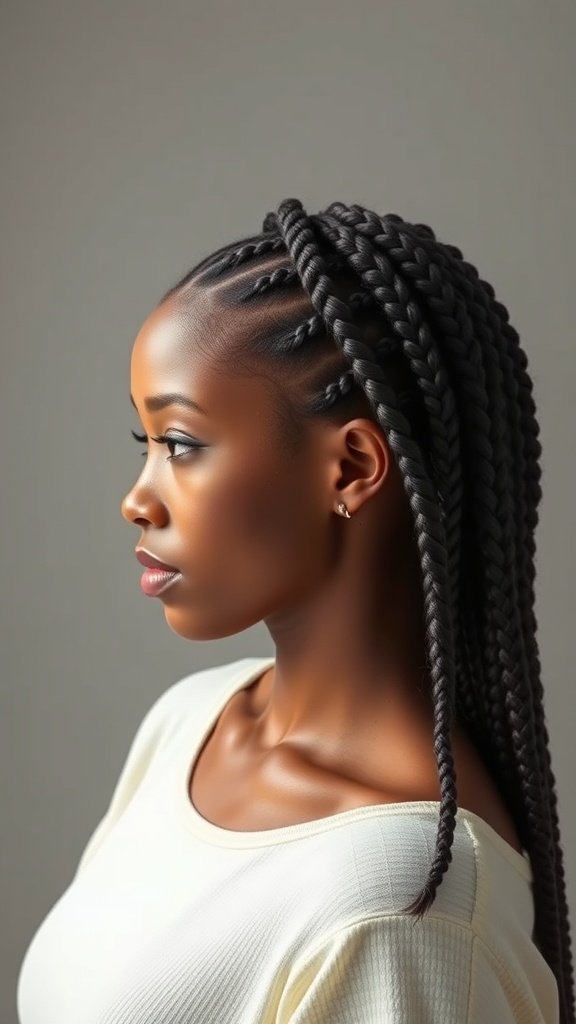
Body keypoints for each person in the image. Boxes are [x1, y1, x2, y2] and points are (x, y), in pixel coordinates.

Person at [16, 198, 573, 1023]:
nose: (138, 499)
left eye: (180, 444)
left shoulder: (405, 909)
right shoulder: (191, 721)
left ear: (350, 467)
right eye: (146, 444)